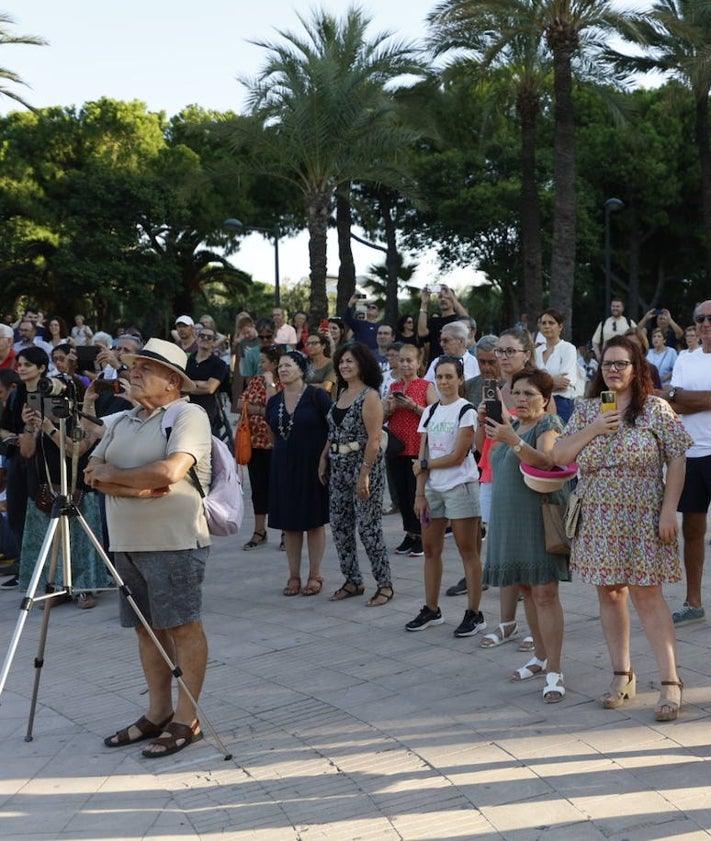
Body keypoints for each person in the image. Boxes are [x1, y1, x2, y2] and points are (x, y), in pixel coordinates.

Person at [553, 336, 692, 721]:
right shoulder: (586, 411)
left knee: (648, 594)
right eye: (607, 364)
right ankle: (621, 674)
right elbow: (559, 456)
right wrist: (595, 428)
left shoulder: (656, 410)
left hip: (644, 512)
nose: (613, 370)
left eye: (621, 363)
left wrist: (669, 511)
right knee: (610, 594)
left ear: (636, 368)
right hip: (598, 515)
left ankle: (670, 681)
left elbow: (678, 458)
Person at [86, 338, 211, 758]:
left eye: (145, 368)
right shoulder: (124, 420)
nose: (133, 373)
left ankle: (186, 718)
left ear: (173, 382)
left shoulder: (188, 414)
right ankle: (157, 712)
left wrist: (118, 479)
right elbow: (90, 472)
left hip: (173, 540)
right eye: (133, 366)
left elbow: (171, 469)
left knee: (182, 626)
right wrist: (137, 488)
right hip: (125, 541)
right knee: (145, 628)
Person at [480, 368, 569, 703]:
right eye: (516, 392)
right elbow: (486, 457)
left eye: (529, 393)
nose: (520, 399)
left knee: (545, 592)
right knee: (528, 591)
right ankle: (540, 656)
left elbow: (546, 461)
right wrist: (487, 429)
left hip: (538, 517)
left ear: (545, 399)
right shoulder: (512, 426)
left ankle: (556, 669)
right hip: (508, 519)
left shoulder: (548, 425)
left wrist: (513, 441)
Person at [408, 356, 485, 637]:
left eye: (449, 376)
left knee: (468, 551)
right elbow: (423, 453)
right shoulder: (429, 412)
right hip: (433, 490)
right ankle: (431, 608)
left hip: (461, 487)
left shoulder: (466, 411)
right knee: (430, 550)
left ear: (460, 379)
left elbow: (458, 455)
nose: (443, 382)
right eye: (439, 377)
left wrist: (426, 466)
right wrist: (420, 492)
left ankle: (475, 613)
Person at [477, 327, 541, 651]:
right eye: (498, 352)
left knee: (528, 556)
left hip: (526, 476)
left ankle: (537, 626)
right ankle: (506, 623)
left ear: (526, 354)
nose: (502, 358)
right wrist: (480, 422)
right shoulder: (494, 389)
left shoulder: (537, 388)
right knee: (501, 553)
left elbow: (547, 434)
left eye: (509, 351)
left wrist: (508, 423)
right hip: (494, 474)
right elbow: (482, 446)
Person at [319, 342, 393, 606]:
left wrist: (364, 474)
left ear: (362, 364)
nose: (344, 366)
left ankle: (384, 584)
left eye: (350, 361)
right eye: (341, 362)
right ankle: (352, 580)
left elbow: (374, 438)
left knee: (368, 528)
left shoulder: (369, 395)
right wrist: (324, 456)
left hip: (363, 466)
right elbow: (334, 428)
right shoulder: (341, 392)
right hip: (338, 466)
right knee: (340, 526)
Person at [267, 351, 331, 596]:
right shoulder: (274, 401)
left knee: (314, 522)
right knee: (290, 524)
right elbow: (273, 430)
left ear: (302, 369)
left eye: (288, 365)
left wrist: (324, 457)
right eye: (280, 366)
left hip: (314, 466)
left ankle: (315, 574)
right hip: (283, 466)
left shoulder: (317, 396)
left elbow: (334, 427)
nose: (283, 370)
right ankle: (294, 576)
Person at [664, 300, 711, 626]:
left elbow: (677, 398)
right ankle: (693, 601)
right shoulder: (685, 358)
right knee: (692, 531)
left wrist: (680, 396)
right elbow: (673, 406)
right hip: (691, 454)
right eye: (700, 318)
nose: (706, 322)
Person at [0, 347, 51, 588]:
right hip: (18, 458)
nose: (20, 368)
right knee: (17, 513)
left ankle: (49, 571)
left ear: (41, 368)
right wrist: (15, 434)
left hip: (44, 461)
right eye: (19, 364)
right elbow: (2, 427)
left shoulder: (52, 390)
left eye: (27, 365)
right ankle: (25, 568)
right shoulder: (16, 392)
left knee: (41, 512)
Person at [383, 344, 436, 557]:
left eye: (409, 360)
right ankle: (409, 533)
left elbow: (435, 415)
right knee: (402, 494)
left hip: (417, 446)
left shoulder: (425, 386)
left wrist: (414, 406)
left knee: (418, 493)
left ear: (418, 363)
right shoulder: (393, 387)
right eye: (401, 360)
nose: (405, 364)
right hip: (396, 446)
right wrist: (389, 408)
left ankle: (423, 535)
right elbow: (384, 418)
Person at [237, 345, 280, 551]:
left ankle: (285, 530)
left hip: (275, 444)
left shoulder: (283, 383)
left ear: (274, 363)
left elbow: (276, 407)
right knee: (258, 488)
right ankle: (259, 530)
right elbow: (240, 403)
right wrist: (260, 410)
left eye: (263, 361)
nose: (259, 365)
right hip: (254, 442)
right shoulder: (254, 381)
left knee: (278, 488)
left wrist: (257, 409)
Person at [534, 309, 579, 422]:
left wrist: (540, 386)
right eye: (543, 323)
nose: (547, 326)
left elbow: (565, 382)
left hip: (561, 403)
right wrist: (553, 381)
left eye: (551, 323)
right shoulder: (536, 351)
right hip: (538, 404)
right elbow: (531, 381)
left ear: (560, 326)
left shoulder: (568, 348)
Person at [186, 325, 229, 432]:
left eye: (209, 337)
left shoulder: (219, 364)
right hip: (184, 412)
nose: (205, 338)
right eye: (202, 335)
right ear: (197, 339)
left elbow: (210, 388)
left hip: (207, 415)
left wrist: (186, 385)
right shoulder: (186, 360)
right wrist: (200, 384)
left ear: (214, 342)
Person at [417, 284, 470, 360]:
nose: (443, 299)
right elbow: (422, 333)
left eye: (446, 297)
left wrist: (453, 298)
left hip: (455, 365)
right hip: (435, 365)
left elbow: (468, 321)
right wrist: (424, 303)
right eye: (440, 297)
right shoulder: (434, 321)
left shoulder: (458, 320)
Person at [423, 322, 480, 388]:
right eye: (440, 340)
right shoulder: (436, 361)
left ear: (461, 341)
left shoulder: (475, 363)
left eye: (445, 340)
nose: (441, 344)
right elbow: (424, 387)